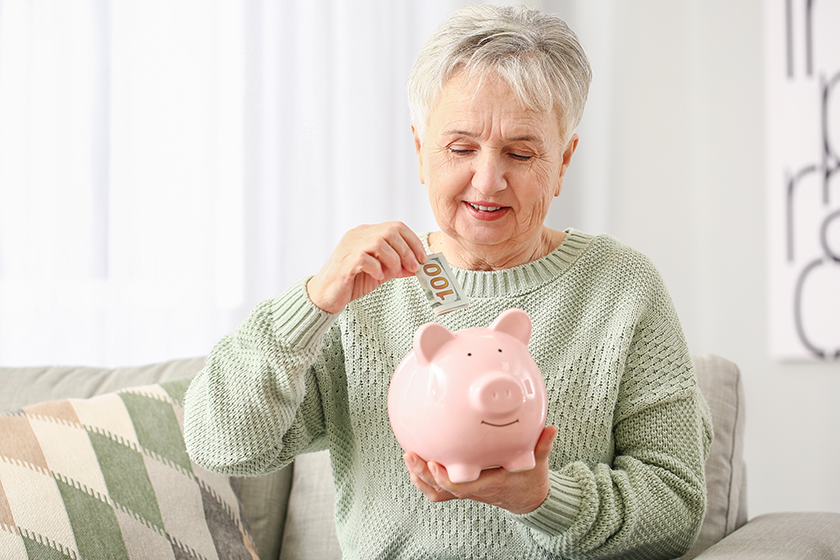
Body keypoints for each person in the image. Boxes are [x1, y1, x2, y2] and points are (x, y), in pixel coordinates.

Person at [184, 5, 712, 559]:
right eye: (461, 148)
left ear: (563, 162)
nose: (487, 180)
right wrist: (311, 302)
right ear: (420, 151)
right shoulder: (367, 290)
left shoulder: (622, 287)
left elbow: (675, 507)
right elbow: (220, 442)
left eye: (521, 152)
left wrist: (545, 497)